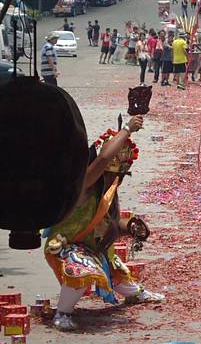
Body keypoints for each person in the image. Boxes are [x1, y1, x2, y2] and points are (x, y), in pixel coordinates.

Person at [44, 116, 164, 331]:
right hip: (64, 246)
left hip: (93, 247)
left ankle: (135, 294)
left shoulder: (109, 192)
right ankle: (63, 313)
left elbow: (110, 224)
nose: (114, 178)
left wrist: (132, 227)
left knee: (115, 268)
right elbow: (102, 160)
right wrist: (127, 129)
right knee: (85, 267)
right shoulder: (83, 184)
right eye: (111, 172)